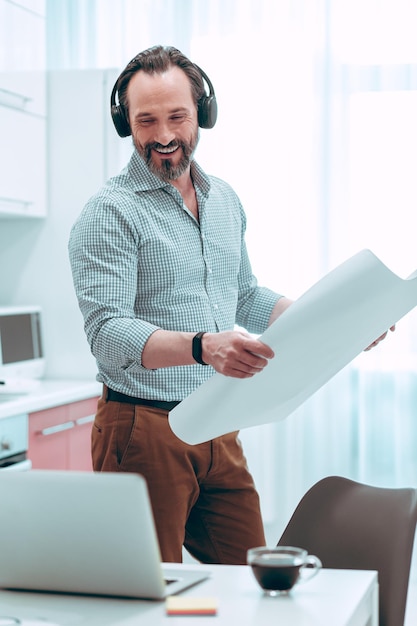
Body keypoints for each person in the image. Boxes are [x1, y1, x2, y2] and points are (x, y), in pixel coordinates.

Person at [68, 45, 392, 565]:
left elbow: (242, 293)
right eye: (146, 121)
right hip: (143, 430)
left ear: (203, 112)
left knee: (250, 580)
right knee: (149, 595)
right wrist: (202, 347)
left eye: (177, 116)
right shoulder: (110, 213)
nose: (164, 135)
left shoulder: (224, 201)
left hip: (217, 421)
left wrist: (342, 323)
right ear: (125, 123)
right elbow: (107, 334)